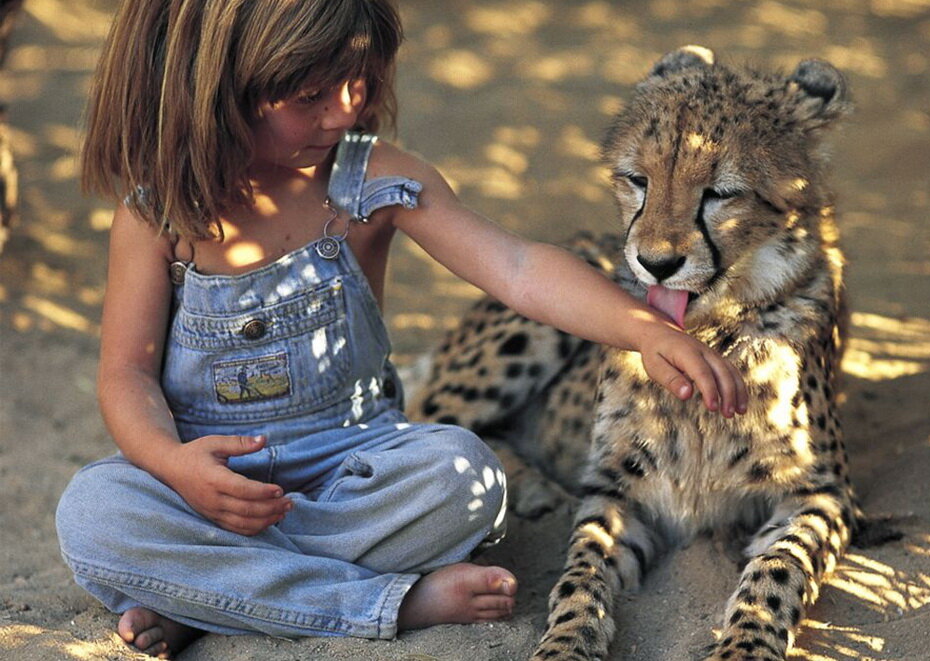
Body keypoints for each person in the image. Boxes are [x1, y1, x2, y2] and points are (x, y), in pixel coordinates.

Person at [55, 0, 749, 658]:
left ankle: (210, 594)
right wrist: (174, 464)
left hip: (352, 471)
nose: (344, 111)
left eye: (358, 83)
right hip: (204, 483)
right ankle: (390, 601)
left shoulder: (373, 180)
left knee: (466, 478)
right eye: (310, 98)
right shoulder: (158, 218)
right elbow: (126, 373)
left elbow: (515, 266)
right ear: (214, 92)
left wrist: (645, 331)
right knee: (92, 512)